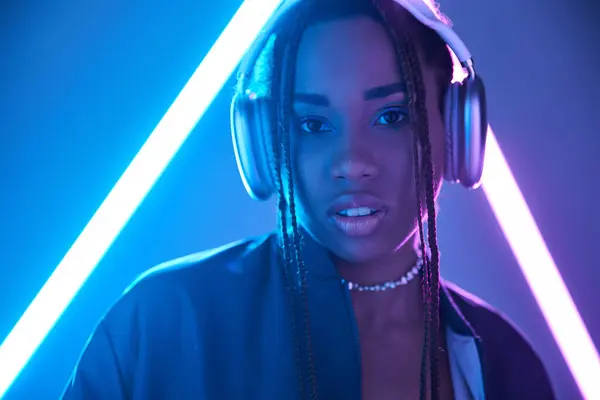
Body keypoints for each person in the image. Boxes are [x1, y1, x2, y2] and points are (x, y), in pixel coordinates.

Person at [62, 0, 556, 399]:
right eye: (313, 125)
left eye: (391, 116)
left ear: (456, 130)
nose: (351, 160)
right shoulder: (161, 323)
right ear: (266, 145)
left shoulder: (505, 363)